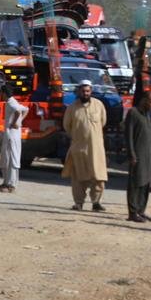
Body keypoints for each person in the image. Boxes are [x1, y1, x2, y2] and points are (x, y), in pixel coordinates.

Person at [61, 80, 108, 211]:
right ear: (78, 91)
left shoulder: (99, 105)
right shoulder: (72, 108)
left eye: (87, 91)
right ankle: (78, 202)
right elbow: (67, 126)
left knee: (98, 176)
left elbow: (103, 122)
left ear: (91, 92)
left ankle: (96, 202)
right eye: (83, 91)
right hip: (79, 147)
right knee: (78, 177)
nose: (85, 93)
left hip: (96, 148)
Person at [124, 91, 151, 222]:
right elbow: (129, 136)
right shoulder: (133, 113)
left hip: (148, 156)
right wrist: (132, 154)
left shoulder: (147, 115)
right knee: (135, 184)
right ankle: (132, 213)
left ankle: (140, 210)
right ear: (144, 100)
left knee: (145, 184)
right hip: (137, 155)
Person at [0, 84, 29, 193]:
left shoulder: (11, 103)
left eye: (0, 93)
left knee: (11, 159)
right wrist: (20, 121)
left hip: (12, 135)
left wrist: (16, 122)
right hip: (10, 134)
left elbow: (19, 111)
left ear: (4, 93)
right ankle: (6, 182)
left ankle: (11, 185)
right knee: (6, 159)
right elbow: (26, 109)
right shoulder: (12, 102)